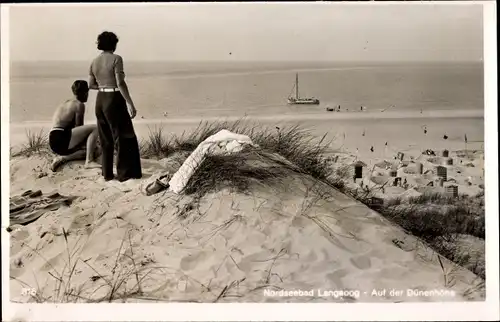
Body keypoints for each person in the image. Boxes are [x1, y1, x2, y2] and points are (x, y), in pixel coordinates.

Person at [88, 31, 142, 182]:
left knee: (105, 138)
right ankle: (124, 174)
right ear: (114, 44)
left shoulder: (94, 61)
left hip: (100, 99)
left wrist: (103, 85)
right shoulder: (117, 59)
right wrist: (130, 103)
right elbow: (120, 83)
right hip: (114, 98)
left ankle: (107, 174)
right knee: (123, 136)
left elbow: (91, 85)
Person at [49, 80, 100, 172]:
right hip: (62, 138)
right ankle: (89, 161)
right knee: (96, 128)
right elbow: (79, 127)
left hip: (53, 141)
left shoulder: (65, 103)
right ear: (84, 93)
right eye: (87, 92)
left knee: (88, 151)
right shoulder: (79, 104)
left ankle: (62, 158)